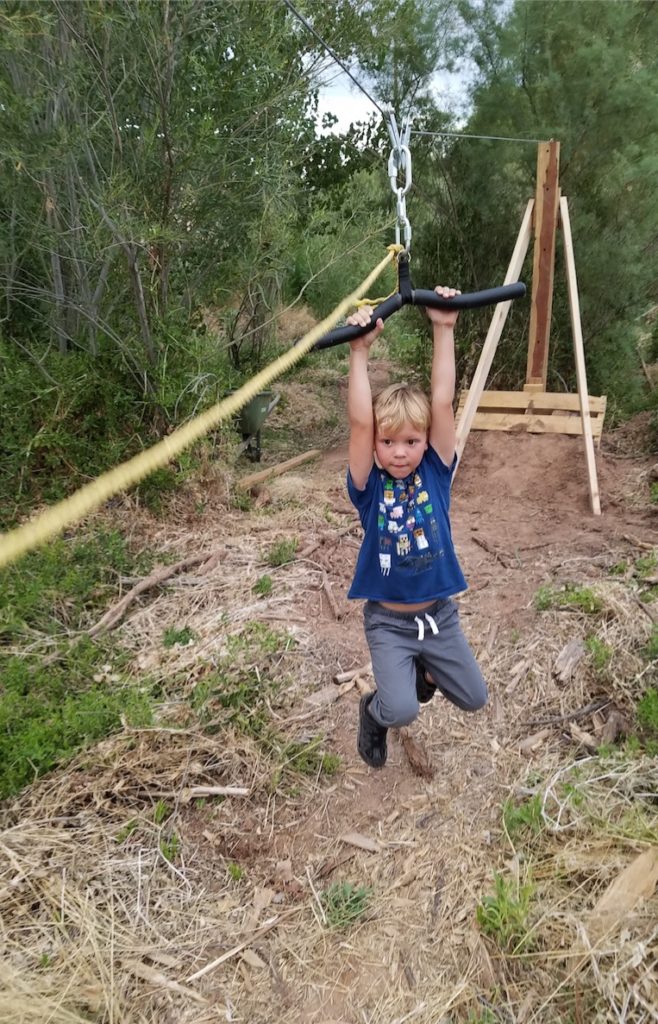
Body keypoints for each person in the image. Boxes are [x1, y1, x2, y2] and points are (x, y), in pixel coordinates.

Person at [345, 286, 488, 769]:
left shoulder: (436, 472)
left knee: (473, 697)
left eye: (411, 440)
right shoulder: (369, 486)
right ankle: (374, 710)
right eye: (389, 442)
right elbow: (361, 424)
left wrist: (443, 327)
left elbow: (443, 401)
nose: (400, 451)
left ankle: (425, 674)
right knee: (400, 709)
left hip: (439, 618)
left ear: (427, 442)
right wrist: (359, 353)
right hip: (389, 621)